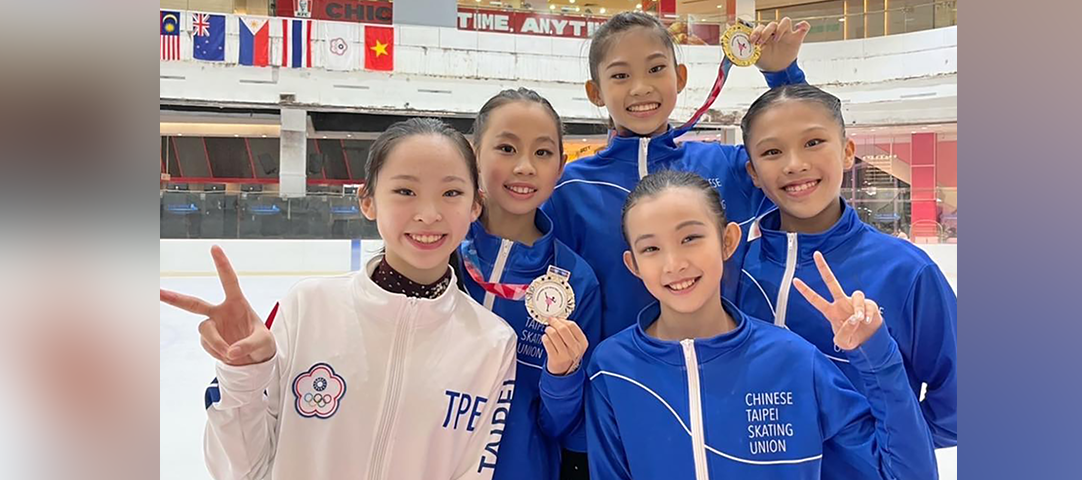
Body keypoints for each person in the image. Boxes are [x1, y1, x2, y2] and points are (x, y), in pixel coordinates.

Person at [160, 118, 518, 479]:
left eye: (451, 193)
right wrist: (243, 376)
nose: (428, 214)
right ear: (368, 201)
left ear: (476, 206)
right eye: (405, 191)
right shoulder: (307, 307)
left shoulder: (492, 343)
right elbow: (241, 470)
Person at [585, 170, 937, 479]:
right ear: (633, 265)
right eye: (651, 249)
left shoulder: (793, 360)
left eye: (690, 238)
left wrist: (877, 354)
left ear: (728, 241)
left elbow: (907, 473)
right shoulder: (612, 368)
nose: (674, 263)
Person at [543, 12, 811, 339]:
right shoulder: (570, 189)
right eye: (620, 75)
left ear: (680, 77)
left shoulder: (727, 166)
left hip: (730, 362)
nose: (641, 87)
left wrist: (783, 73)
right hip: (618, 367)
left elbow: (802, 154)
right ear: (595, 92)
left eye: (656, 69)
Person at [733, 83, 958, 447]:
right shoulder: (734, 268)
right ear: (754, 172)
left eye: (813, 142)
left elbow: (957, 413)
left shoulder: (905, 271)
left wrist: (874, 456)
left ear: (847, 152)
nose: (795, 164)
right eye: (772, 151)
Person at [459, 88, 602, 479]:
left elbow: (562, 427)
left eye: (542, 152)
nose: (525, 167)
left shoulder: (576, 282)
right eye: (506, 149)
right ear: (474, 154)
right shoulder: (440, 254)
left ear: (560, 166)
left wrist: (562, 376)